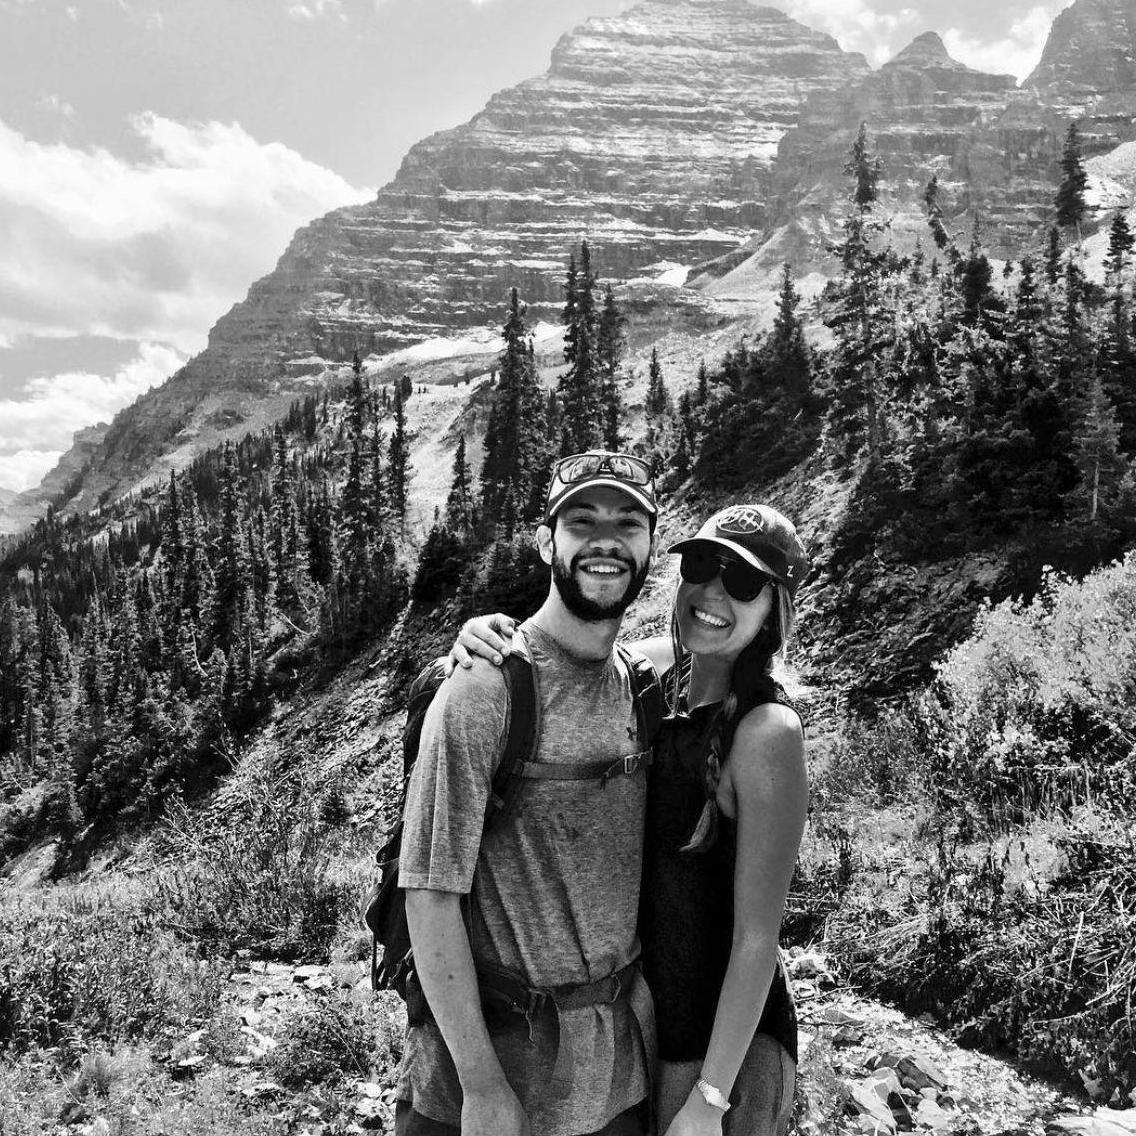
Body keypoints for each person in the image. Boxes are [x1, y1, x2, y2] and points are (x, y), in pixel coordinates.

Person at [449, 503, 809, 1136]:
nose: (713, 592)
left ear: (774, 609)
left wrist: (710, 1100)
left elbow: (758, 939)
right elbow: (558, 654)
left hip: (723, 1057)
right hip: (645, 1033)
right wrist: (483, 637)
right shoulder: (656, 674)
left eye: (743, 581)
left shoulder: (767, 732)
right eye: (703, 564)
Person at [396, 450, 663, 1136]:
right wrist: (483, 1087)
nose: (606, 540)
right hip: (487, 1091)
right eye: (582, 521)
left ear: (650, 548)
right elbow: (429, 892)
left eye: (628, 524)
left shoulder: (644, 685)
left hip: (614, 1085)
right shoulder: (485, 689)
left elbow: (725, 642)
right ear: (547, 542)